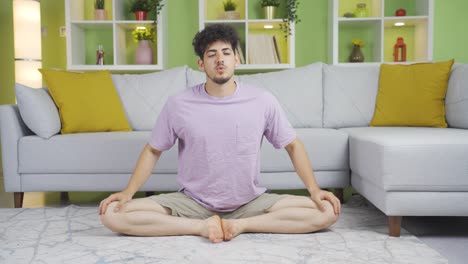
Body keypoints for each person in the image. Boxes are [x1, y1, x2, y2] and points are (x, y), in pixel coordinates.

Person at [99, 24, 341, 243]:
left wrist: (314, 190)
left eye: (226, 52)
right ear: (201, 64)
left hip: (250, 202)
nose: (220, 60)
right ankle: (200, 227)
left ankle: (241, 225)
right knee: (112, 215)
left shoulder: (262, 100)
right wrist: (127, 193)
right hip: (192, 203)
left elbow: (293, 145)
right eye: (211, 54)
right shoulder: (178, 104)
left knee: (327, 211)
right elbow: (153, 150)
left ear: (237, 59)